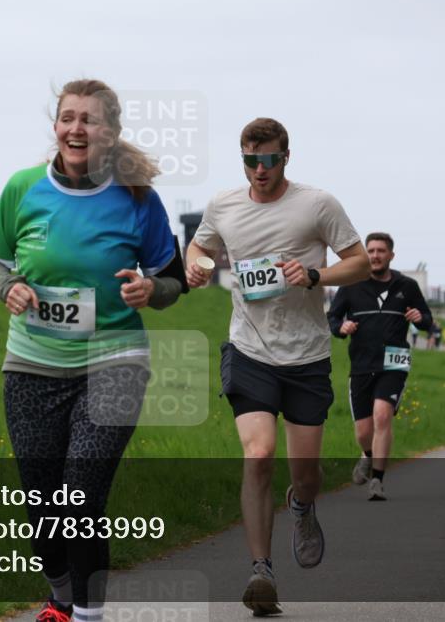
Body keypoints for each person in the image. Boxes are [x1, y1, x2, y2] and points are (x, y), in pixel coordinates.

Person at [0, 79, 186, 622]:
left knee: (81, 500)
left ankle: (87, 616)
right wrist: (9, 288)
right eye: (68, 117)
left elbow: (172, 280)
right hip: (31, 364)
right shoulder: (22, 189)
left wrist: (150, 290)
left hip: (114, 361)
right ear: (56, 127)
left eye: (89, 120)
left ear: (110, 134)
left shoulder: (138, 200)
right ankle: (61, 598)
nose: (77, 128)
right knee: (42, 505)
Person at [185, 117, 369, 616]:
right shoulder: (224, 205)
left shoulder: (317, 204)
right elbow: (201, 243)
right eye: (251, 160)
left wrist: (314, 274)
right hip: (249, 350)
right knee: (259, 454)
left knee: (305, 474)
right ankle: (261, 571)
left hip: (307, 356)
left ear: (286, 157)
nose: (260, 170)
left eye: (269, 160)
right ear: (242, 158)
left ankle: (302, 505)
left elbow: (359, 263)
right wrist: (196, 265)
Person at [327, 232, 432, 501]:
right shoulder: (351, 285)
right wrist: (341, 327)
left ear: (391, 255)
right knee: (363, 432)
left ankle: (377, 480)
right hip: (361, 363)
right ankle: (369, 454)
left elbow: (427, 319)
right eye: (370, 250)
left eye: (380, 251)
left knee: (383, 416)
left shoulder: (407, 285)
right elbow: (332, 318)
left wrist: (420, 318)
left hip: (395, 362)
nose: (375, 255)